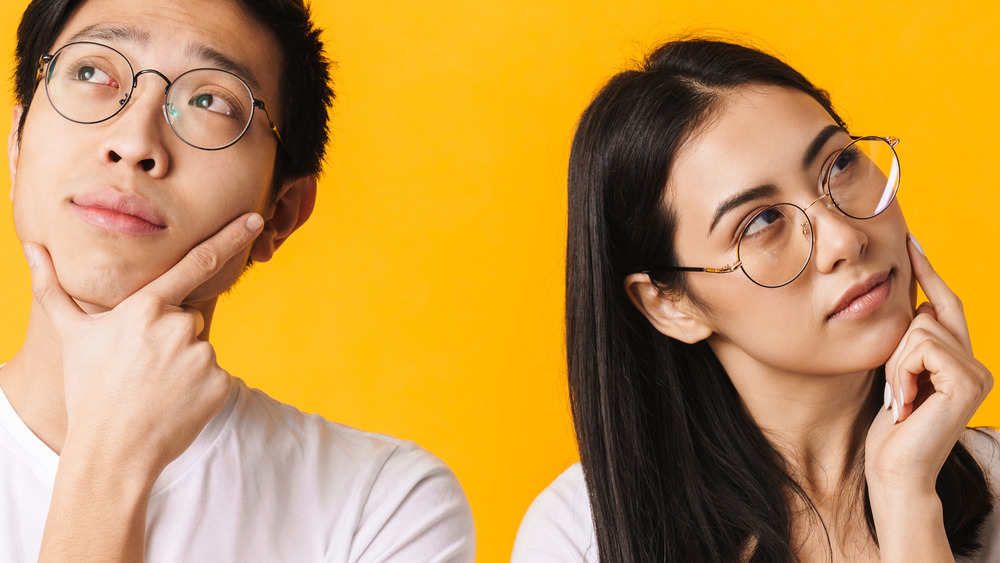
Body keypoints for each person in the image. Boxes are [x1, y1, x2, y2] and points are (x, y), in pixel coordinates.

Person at [1, 0, 475, 560]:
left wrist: (108, 461)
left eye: (210, 101)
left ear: (281, 213)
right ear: (16, 145)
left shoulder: (380, 506)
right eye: (91, 73)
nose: (133, 144)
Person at [512, 39, 997, 562]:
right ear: (668, 305)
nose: (843, 239)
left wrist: (906, 495)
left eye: (839, 165)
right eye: (761, 221)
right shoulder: (579, 536)